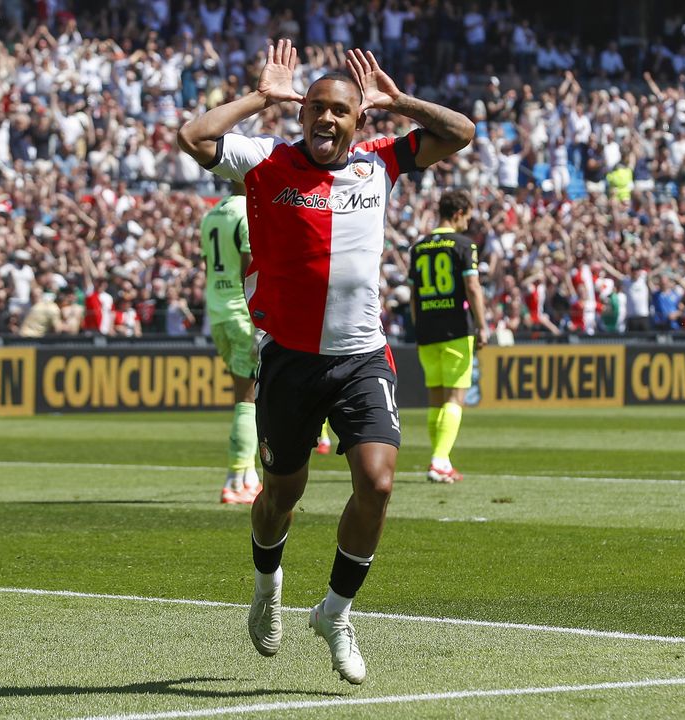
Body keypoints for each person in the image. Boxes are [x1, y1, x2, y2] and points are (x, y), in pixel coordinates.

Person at [178, 39, 473, 685]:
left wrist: (399, 102)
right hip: (289, 359)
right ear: (301, 112)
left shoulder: (379, 164)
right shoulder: (265, 160)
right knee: (283, 493)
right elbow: (193, 137)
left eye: (340, 110)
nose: (326, 119)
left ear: (357, 120)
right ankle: (266, 583)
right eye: (316, 108)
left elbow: (460, 131)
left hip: (363, 357)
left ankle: (335, 612)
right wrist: (260, 96)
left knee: (379, 482)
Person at [407, 189, 489, 484]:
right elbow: (473, 287)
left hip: (427, 329)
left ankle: (441, 457)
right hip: (456, 328)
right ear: (457, 214)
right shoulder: (464, 245)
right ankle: (440, 460)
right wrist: (483, 325)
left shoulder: (418, 247)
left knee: (436, 399)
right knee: (456, 397)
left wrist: (418, 327)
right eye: (467, 215)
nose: (468, 222)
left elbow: (414, 296)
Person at [200, 182, 262, 505]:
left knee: (248, 394)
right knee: (247, 397)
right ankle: (237, 478)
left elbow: (209, 268)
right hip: (241, 313)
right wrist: (256, 321)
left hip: (217, 312)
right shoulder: (246, 213)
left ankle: (248, 475)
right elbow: (249, 267)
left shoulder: (211, 215)